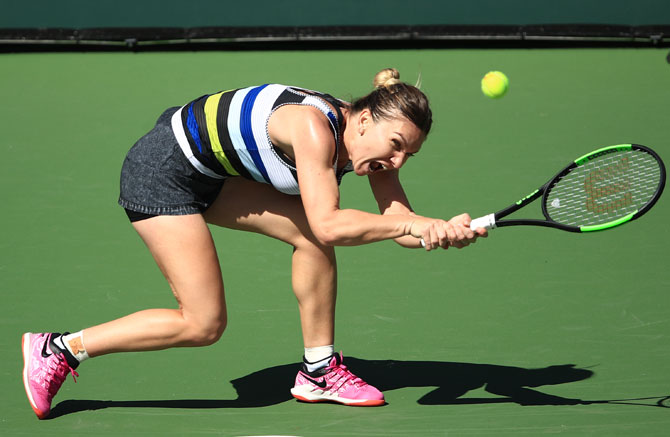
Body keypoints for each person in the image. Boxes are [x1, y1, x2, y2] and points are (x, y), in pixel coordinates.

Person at [22, 68, 486, 419]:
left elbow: (397, 223)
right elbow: (333, 224)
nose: (399, 159)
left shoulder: (371, 147)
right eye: (396, 144)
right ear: (363, 120)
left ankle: (318, 370)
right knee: (203, 324)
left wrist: (440, 228)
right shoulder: (312, 129)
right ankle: (59, 349)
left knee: (309, 235)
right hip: (162, 172)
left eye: (409, 153)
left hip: (212, 172)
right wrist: (415, 227)